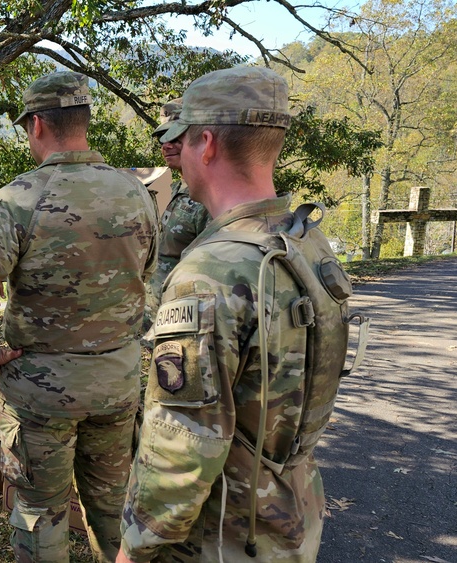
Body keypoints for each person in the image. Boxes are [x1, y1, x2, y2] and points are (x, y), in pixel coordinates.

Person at [118, 66, 342, 562]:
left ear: (208, 143)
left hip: (224, 534)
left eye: (184, 140)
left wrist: (135, 547)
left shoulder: (213, 272)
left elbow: (181, 445)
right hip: (291, 510)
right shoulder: (306, 240)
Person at [0, 71, 158, 563]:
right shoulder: (137, 194)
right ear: (83, 121)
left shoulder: (17, 200)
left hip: (40, 391)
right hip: (117, 382)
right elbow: (147, 275)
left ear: (36, 124)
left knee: (40, 511)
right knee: (113, 506)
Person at [144, 98, 211, 328]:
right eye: (163, 139)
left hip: (185, 324)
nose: (166, 145)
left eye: (175, 138)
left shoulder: (208, 197)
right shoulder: (173, 190)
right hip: (158, 320)